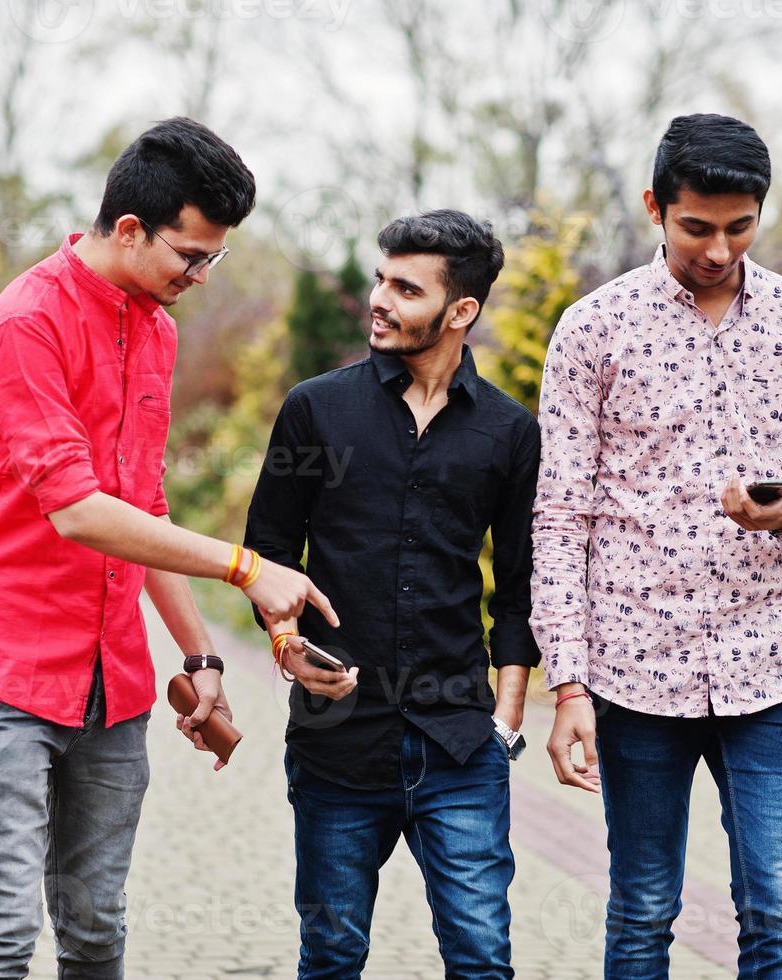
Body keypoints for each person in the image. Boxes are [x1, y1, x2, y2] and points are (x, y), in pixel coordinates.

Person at [0, 117, 336, 980]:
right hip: (5, 672)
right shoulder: (26, 322)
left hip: (110, 684)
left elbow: (141, 509)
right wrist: (245, 566)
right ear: (127, 229)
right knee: (2, 933)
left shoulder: (154, 327)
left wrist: (201, 653)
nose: (199, 275)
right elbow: (80, 511)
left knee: (96, 929)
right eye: (191, 256)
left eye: (212, 260)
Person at [532, 114, 782, 979]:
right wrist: (568, 682)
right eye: (696, 227)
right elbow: (560, 518)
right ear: (654, 207)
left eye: (739, 226)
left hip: (771, 670)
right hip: (636, 674)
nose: (718, 249)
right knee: (642, 911)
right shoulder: (592, 330)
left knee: (779, 915)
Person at [244, 210, 540, 979]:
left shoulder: (509, 432)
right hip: (336, 736)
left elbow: (518, 589)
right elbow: (268, 554)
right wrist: (283, 644)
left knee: (482, 957)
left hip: (460, 744)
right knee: (333, 954)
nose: (378, 298)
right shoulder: (316, 408)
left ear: (461, 311)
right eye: (380, 278)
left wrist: (506, 714)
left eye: (405, 288)